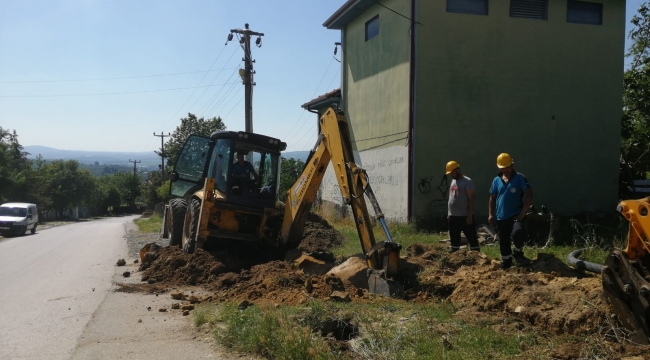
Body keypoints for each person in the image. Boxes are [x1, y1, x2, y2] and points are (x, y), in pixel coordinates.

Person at [488, 153, 533, 269]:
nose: (505, 170)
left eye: (507, 167)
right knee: (503, 242)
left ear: (512, 165)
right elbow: (492, 199)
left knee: (517, 232)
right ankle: (506, 262)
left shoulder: (519, 178)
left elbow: (529, 196)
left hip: (515, 215)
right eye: (503, 168)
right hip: (501, 217)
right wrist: (490, 214)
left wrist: (523, 213)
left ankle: (518, 253)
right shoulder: (496, 180)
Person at [445, 161, 480, 253]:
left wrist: (470, 215)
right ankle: (455, 252)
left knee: (471, 237)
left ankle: (476, 254)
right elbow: (450, 198)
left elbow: (471, 198)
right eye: (450, 173)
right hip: (453, 216)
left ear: (458, 170)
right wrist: (449, 213)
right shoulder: (453, 181)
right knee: (454, 237)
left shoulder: (467, 181)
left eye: (453, 172)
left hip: (464, 216)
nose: (451, 174)